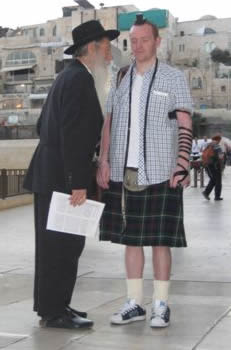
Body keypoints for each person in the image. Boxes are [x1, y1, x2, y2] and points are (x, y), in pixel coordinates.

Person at [97, 14, 192, 328]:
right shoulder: (121, 77)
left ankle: (161, 305)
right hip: (125, 170)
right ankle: (134, 303)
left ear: (157, 42)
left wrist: (182, 163)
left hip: (162, 169)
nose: (137, 46)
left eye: (143, 40)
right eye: (133, 40)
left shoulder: (173, 77)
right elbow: (108, 121)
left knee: (161, 241)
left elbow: (184, 121)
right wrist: (104, 160)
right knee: (131, 241)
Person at [24, 20, 119, 329]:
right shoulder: (79, 81)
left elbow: (44, 128)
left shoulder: (68, 77)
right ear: (91, 48)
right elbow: (73, 136)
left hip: (52, 174)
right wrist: (77, 183)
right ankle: (54, 311)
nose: (109, 53)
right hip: (63, 180)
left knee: (58, 246)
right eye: (105, 47)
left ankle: (54, 305)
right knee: (61, 247)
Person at [202, 135, 224, 201]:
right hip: (215, 165)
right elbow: (220, 156)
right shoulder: (217, 146)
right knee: (218, 181)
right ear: (218, 140)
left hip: (208, 165)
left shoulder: (208, 145)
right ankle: (216, 196)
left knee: (213, 179)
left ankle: (206, 193)